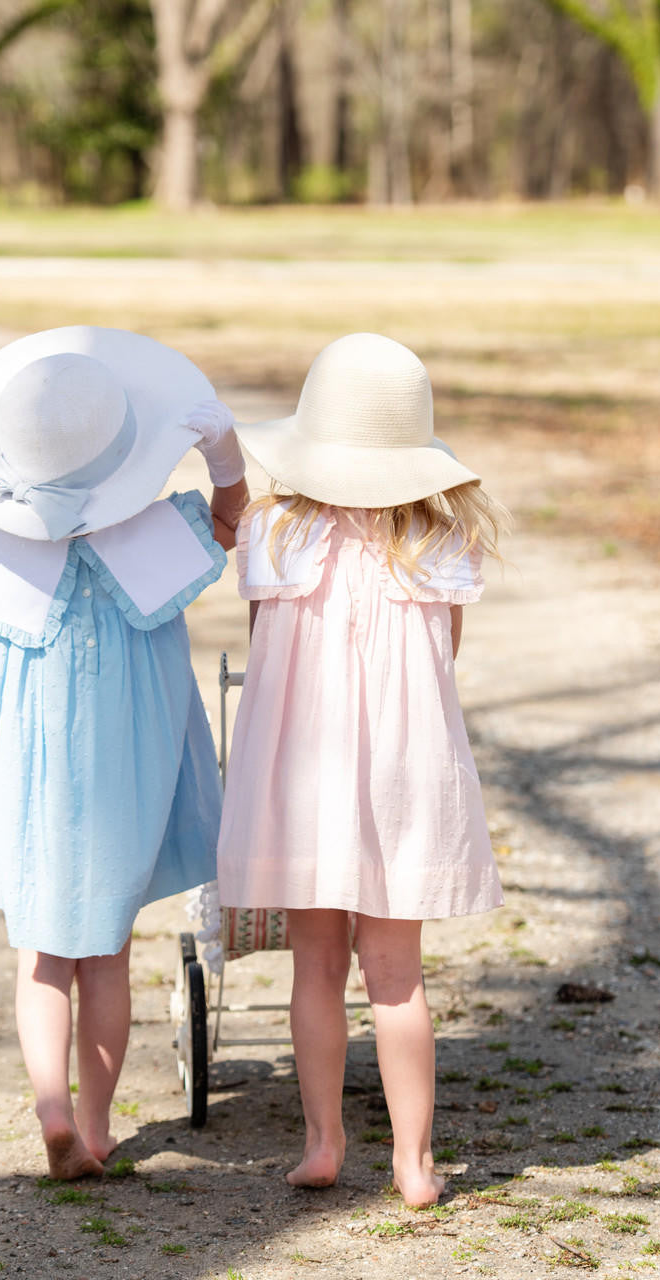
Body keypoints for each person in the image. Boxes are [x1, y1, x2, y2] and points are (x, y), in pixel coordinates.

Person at [0, 326, 247, 1180]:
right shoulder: (159, 533)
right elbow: (234, 523)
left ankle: (50, 1104)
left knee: (45, 951)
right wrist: (223, 457)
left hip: (39, 767)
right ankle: (93, 1124)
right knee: (108, 951)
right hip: (129, 765)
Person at [216, 332, 507, 1208]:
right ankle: (414, 1163)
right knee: (398, 977)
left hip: (305, 778)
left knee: (316, 969)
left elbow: (267, 638)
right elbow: (444, 656)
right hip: (403, 780)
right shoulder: (440, 541)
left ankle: (322, 1143)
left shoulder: (273, 532)